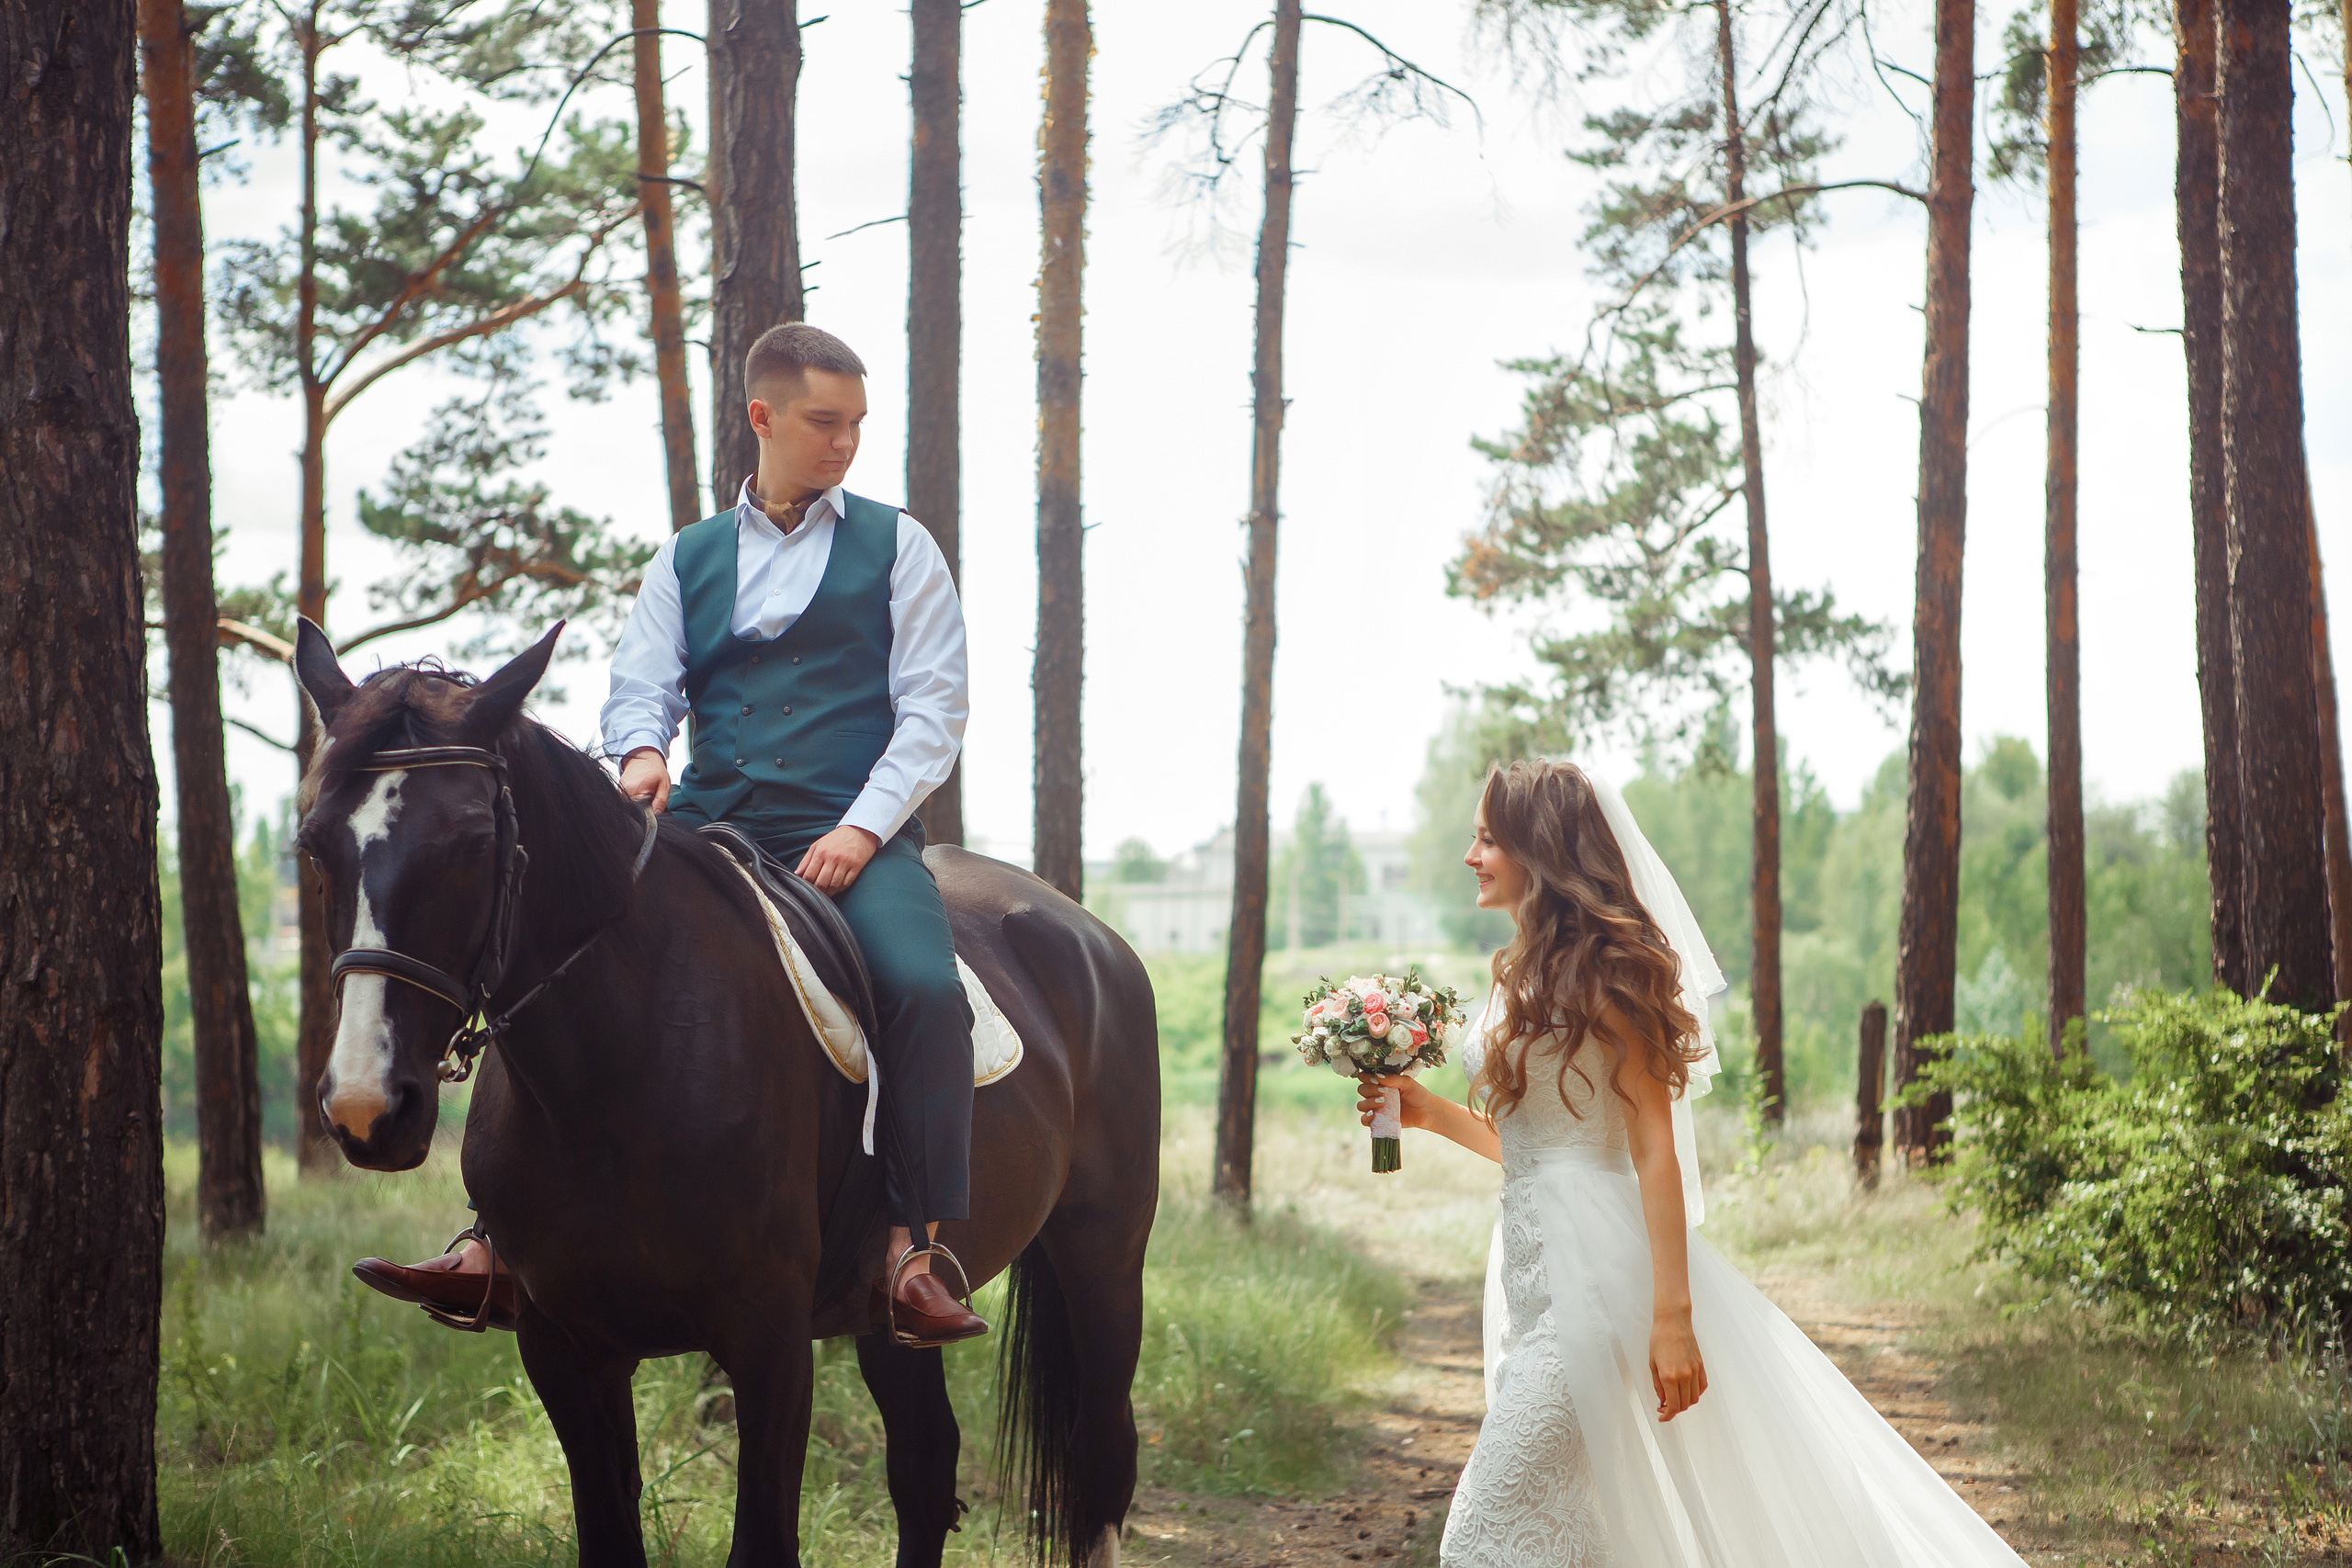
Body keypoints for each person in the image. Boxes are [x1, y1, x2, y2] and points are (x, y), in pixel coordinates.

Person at [354, 321, 987, 1347]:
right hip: (705, 827)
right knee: (546, 963)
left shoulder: (899, 545)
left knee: (920, 987)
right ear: (762, 418)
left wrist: (865, 833)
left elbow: (933, 713)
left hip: (848, 834)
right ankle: (495, 1237)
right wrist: (641, 754)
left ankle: (910, 1246)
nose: (845, 445)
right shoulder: (688, 557)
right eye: (824, 423)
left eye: (857, 425)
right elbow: (641, 686)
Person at [1360, 759, 2027, 1567]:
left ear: (1542, 850)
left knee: (1479, 1535)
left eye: (1487, 838)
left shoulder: (1607, 975)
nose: (1471, 854)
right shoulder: (1514, 974)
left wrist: (1671, 1316)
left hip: (1600, 1281)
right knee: (1569, 1526)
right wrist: (1427, 1113)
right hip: (1533, 1279)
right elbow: (1540, 1153)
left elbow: (1649, 1149)